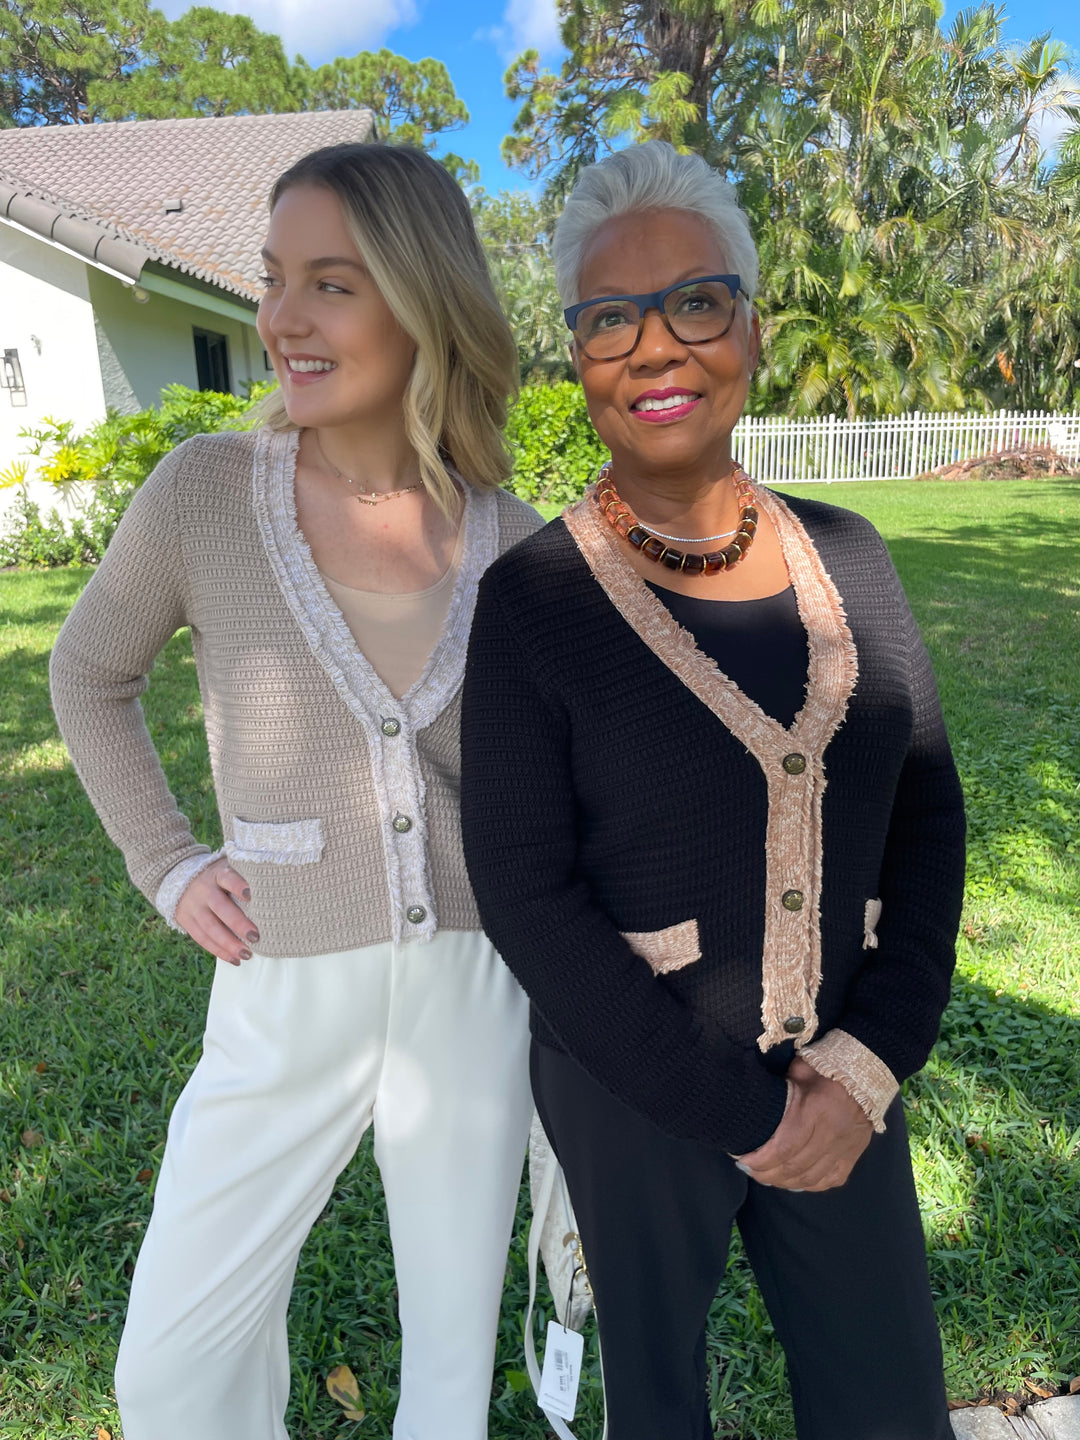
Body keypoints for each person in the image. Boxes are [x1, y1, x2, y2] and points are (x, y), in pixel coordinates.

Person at [460, 140, 966, 1440]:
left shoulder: (852, 559)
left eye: (695, 300)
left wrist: (862, 1071)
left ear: (752, 322)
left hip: (844, 1081)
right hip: (631, 1096)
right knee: (649, 1412)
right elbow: (524, 893)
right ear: (576, 355)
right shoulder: (532, 602)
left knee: (889, 1401)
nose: (653, 348)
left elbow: (926, 818)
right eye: (608, 317)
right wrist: (745, 1114)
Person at [49, 142, 542, 1440]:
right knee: (173, 1369)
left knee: (450, 1373)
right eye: (275, 281)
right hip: (282, 978)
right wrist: (166, 860)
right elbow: (87, 674)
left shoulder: (518, 541)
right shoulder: (209, 493)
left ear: (422, 299)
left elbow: (570, 787)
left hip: (474, 992)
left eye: (332, 283)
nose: (280, 320)